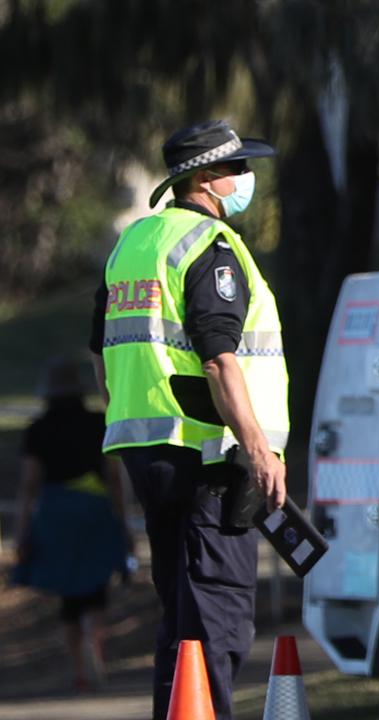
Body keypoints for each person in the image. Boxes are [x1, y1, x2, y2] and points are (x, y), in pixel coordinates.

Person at [88, 119, 290, 720]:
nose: (247, 181)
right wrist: (258, 448)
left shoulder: (132, 245)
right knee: (218, 617)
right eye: (238, 170)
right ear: (204, 179)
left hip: (146, 451)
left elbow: (102, 351)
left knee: (180, 619)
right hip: (208, 453)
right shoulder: (210, 247)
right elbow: (219, 357)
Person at [11, 357, 130, 692]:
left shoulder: (38, 429)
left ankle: (79, 666)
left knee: (69, 592)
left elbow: (29, 484)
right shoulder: (98, 423)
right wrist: (122, 522)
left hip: (56, 514)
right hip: (94, 509)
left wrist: (21, 532)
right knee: (95, 586)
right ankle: (98, 651)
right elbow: (114, 477)